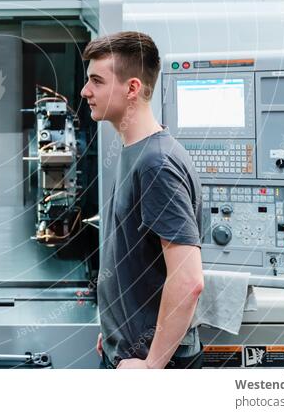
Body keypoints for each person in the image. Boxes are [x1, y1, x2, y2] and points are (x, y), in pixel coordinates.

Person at [80, 31, 204, 369]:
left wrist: (151, 365)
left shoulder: (156, 163)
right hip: (130, 351)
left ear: (132, 88)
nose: (85, 91)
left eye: (96, 81)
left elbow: (188, 280)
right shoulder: (134, 152)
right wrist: (117, 328)